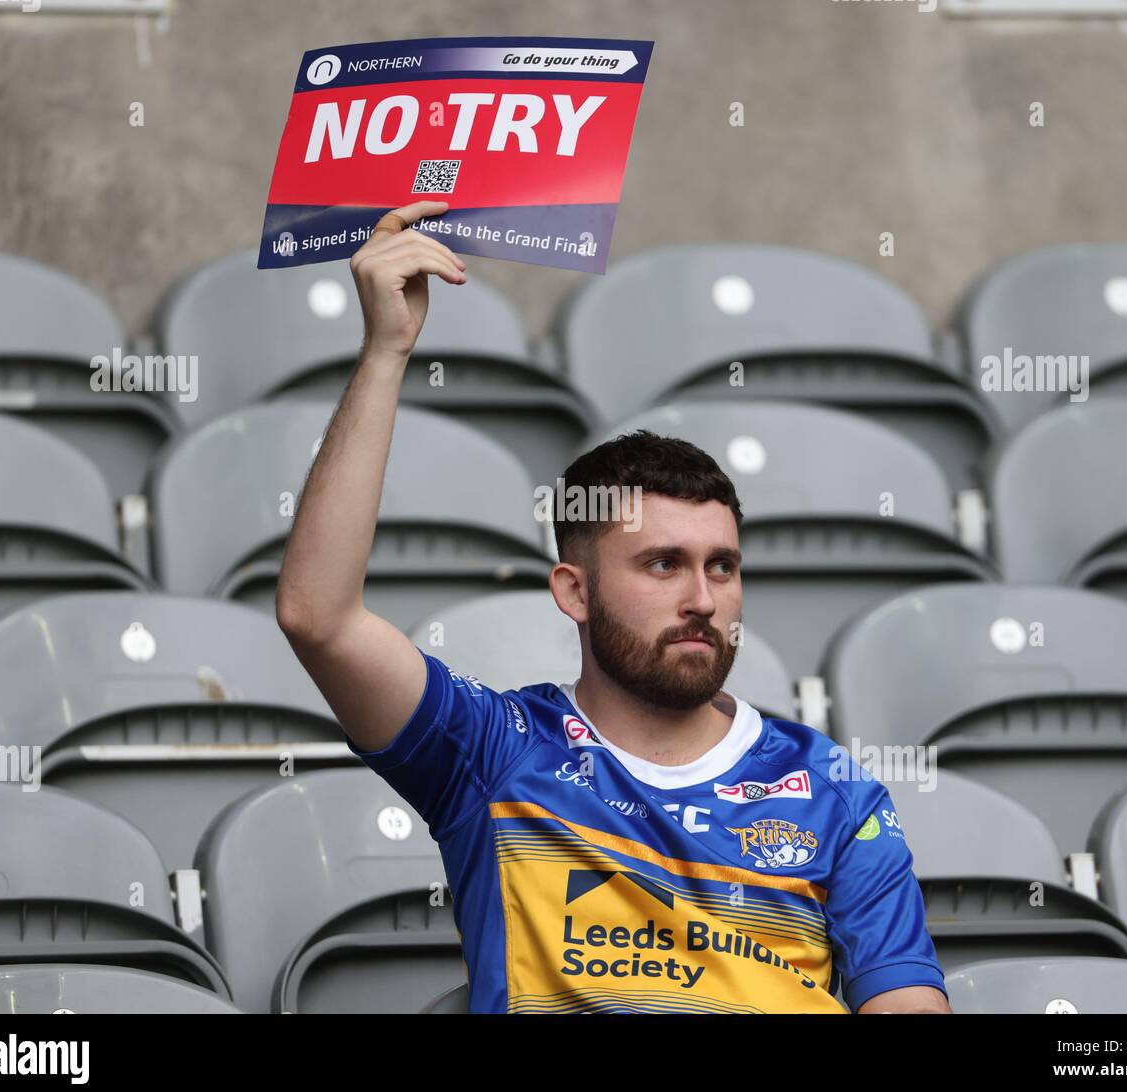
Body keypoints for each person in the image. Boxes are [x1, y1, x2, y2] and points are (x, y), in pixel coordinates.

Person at [276, 200, 950, 1014]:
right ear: (575, 592)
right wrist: (386, 351)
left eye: (722, 566)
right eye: (663, 565)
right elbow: (319, 617)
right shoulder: (493, 755)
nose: (703, 599)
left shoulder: (832, 787)